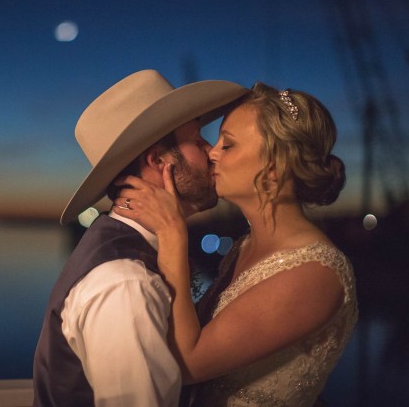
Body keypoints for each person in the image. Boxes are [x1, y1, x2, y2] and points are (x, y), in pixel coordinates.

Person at [113, 82, 358, 406]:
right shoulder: (243, 246)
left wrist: (173, 232)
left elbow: (187, 364)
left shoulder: (314, 275)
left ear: (274, 168)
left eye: (227, 145)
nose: (211, 153)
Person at [32, 70, 248, 407]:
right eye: (197, 139)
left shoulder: (118, 250)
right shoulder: (126, 284)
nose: (211, 152)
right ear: (158, 160)